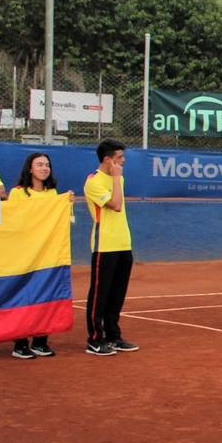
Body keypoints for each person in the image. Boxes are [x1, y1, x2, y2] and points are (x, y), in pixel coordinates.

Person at [85, 138, 138, 356]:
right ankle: (95, 339)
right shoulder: (93, 181)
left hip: (123, 243)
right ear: (108, 160)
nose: (123, 161)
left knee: (117, 294)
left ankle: (114, 336)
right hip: (104, 245)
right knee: (100, 294)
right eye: (119, 158)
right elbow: (115, 205)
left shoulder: (119, 179)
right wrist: (116, 179)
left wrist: (117, 179)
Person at [9, 151, 63, 359]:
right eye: (39, 164)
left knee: (45, 297)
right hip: (23, 254)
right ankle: (20, 343)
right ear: (29, 168)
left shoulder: (52, 194)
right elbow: (14, 222)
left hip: (47, 255)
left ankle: (41, 342)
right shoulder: (18, 193)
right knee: (23, 298)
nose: (44, 168)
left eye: (47, 165)